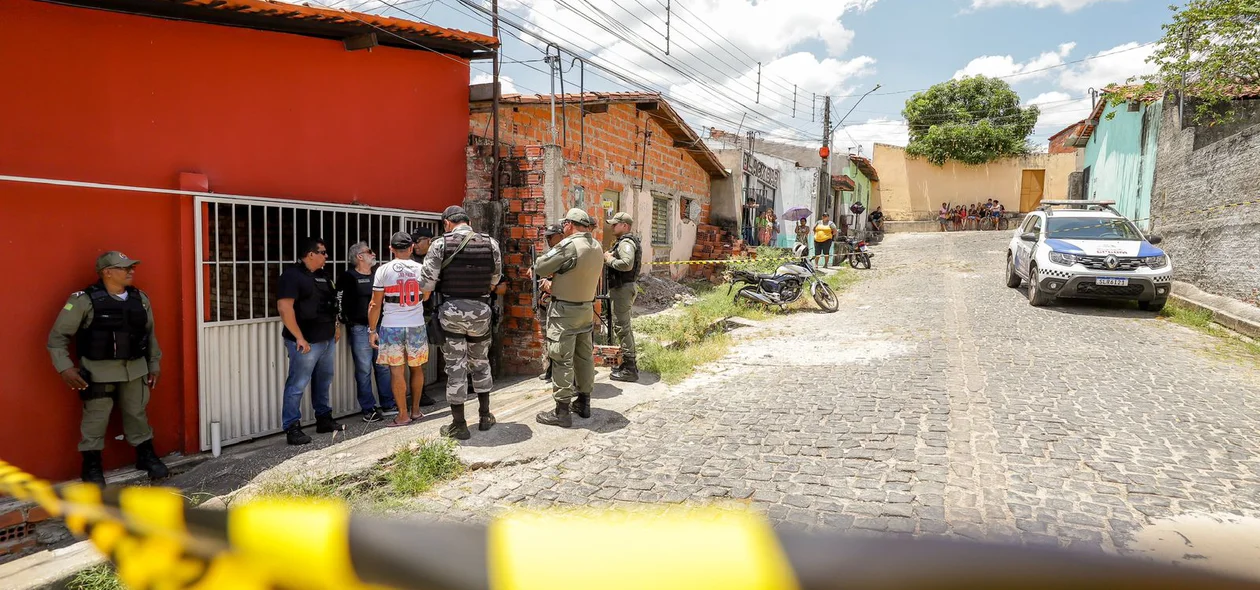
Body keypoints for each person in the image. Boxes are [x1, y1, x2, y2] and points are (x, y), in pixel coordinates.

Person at [48, 251, 167, 486]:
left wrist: (154, 364)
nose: (131, 271)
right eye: (124, 268)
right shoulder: (84, 301)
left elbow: (150, 335)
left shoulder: (140, 299)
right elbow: (57, 338)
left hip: (135, 370)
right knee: (96, 419)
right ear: (107, 272)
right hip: (98, 373)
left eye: (132, 267)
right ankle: (92, 468)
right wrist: (65, 368)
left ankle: (146, 456)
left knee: (137, 414)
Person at [419, 206, 503, 440]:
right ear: (468, 221)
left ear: (447, 222)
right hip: (481, 312)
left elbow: (426, 285)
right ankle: (485, 416)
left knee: (456, 366)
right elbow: (496, 279)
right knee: (480, 362)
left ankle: (459, 424)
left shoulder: (440, 244)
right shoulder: (490, 243)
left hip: (452, 312)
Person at [533, 208, 603, 428]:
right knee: (584, 358)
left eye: (564, 224)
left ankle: (562, 412)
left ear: (569, 225)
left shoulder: (569, 244)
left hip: (564, 312)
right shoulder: (597, 246)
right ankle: (584, 403)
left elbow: (541, 265)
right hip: (585, 309)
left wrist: (552, 281)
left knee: (561, 359)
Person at [276, 238, 342, 446]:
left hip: (326, 338)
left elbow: (332, 304)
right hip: (305, 342)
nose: (326, 256)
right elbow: (285, 309)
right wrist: (299, 337)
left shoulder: (323, 276)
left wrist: (336, 326)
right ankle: (292, 427)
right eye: (322, 252)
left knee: (324, 380)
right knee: (297, 383)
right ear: (310, 254)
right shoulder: (291, 276)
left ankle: (323, 418)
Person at [369, 232, 433, 428]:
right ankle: (416, 410)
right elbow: (427, 295)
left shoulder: (383, 270)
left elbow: (374, 304)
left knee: (396, 371)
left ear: (391, 249)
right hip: (416, 325)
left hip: (391, 326)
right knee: (417, 368)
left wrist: (372, 330)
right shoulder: (422, 269)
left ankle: (402, 415)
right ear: (412, 248)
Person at [339, 242, 397, 423]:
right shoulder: (348, 277)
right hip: (360, 328)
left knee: (383, 367)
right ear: (359, 256)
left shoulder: (377, 275)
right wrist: (343, 321)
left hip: (380, 327)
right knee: (364, 369)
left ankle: (388, 404)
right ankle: (369, 409)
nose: (374, 254)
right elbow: (339, 300)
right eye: (369, 252)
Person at [603, 212, 641, 383]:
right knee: (623, 327)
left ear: (625, 225)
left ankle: (629, 369)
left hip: (623, 289)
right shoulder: (624, 242)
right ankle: (628, 364)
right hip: (623, 288)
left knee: (622, 327)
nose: (612, 227)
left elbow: (626, 264)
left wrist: (609, 259)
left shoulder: (626, 243)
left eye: (615, 224)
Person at [537, 224, 565, 382]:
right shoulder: (551, 253)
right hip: (546, 300)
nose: (548, 239)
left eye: (551, 236)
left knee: (557, 337)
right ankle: (550, 367)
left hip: (559, 301)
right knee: (547, 335)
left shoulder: (565, 251)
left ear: (560, 235)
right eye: (546, 236)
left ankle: (558, 369)